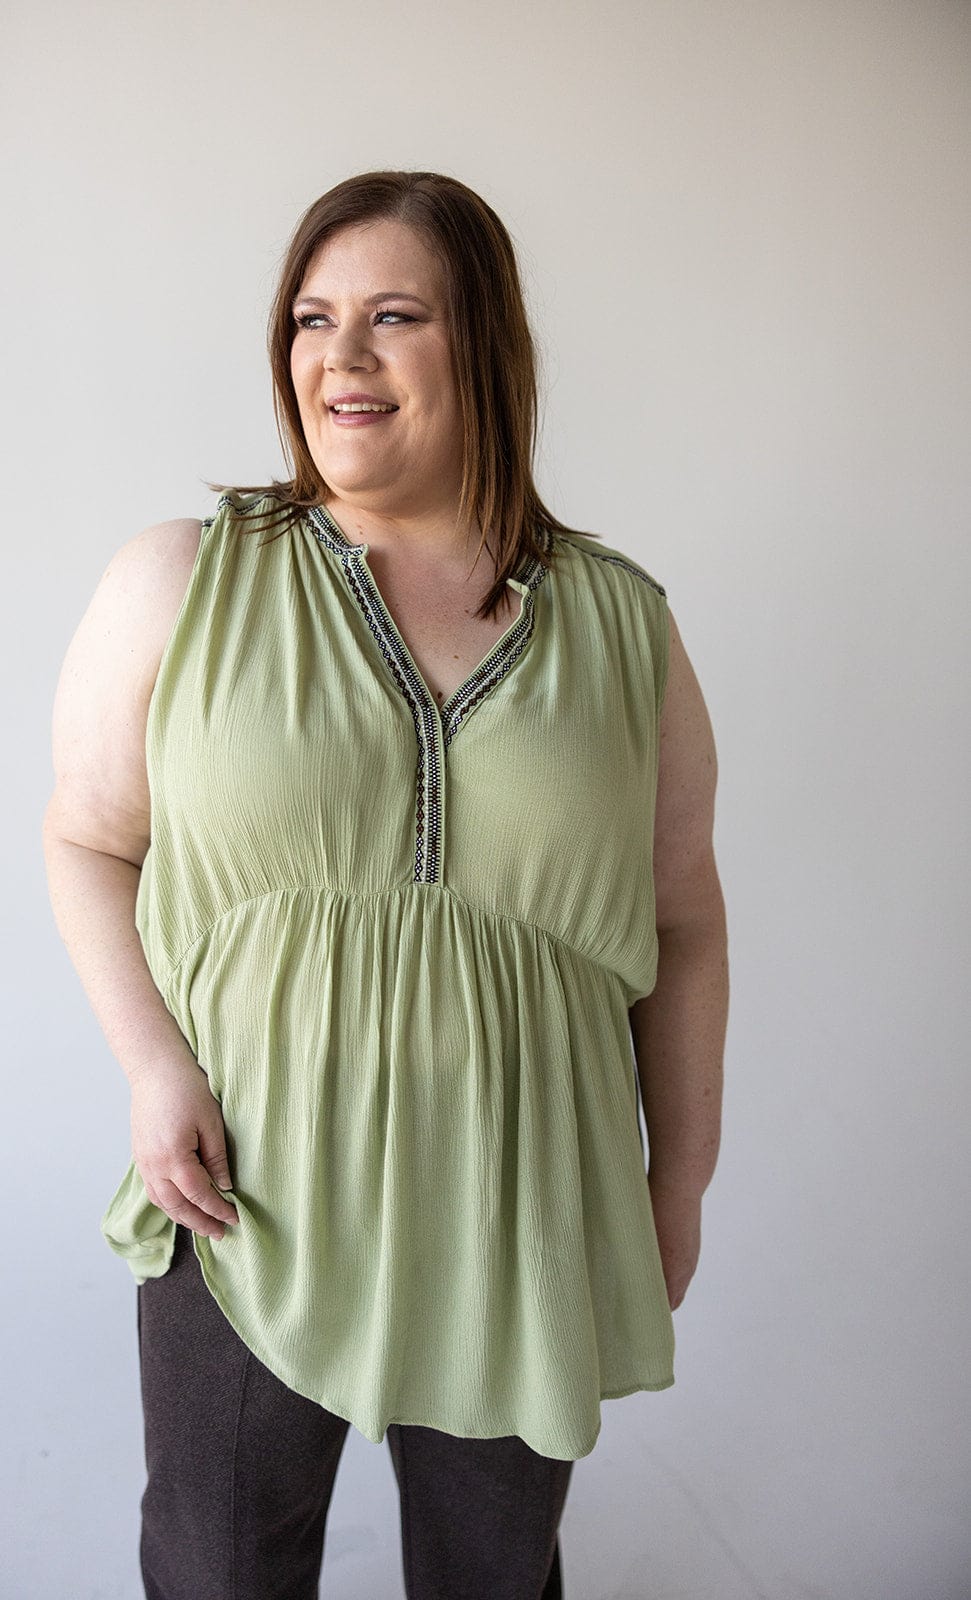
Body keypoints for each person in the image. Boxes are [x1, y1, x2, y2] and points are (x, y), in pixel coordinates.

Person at [43, 168, 727, 1600]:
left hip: (524, 1200)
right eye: (310, 317)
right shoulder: (184, 579)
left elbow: (681, 920)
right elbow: (89, 839)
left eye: (393, 315)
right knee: (220, 1569)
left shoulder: (624, 628)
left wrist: (683, 1176)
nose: (338, 358)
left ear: (483, 342)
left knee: (494, 1575)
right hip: (243, 1191)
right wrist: (154, 1067)